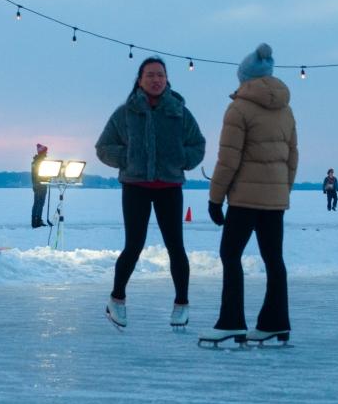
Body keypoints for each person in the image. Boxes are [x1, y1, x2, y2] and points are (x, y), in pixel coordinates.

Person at [95, 56, 206, 330]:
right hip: (136, 186)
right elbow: (104, 146)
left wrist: (182, 159)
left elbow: (198, 144)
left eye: (160, 75)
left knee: (175, 247)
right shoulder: (126, 112)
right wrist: (129, 157)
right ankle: (117, 299)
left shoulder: (178, 111)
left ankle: (182, 304)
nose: (156, 80)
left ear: (167, 79)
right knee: (134, 245)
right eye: (150, 75)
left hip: (169, 186)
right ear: (140, 79)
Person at [200, 44, 298, 345]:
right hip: (274, 200)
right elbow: (292, 156)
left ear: (244, 78)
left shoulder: (239, 107)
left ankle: (231, 321)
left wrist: (215, 199)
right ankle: (275, 322)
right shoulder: (285, 109)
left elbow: (228, 159)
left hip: (243, 199)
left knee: (231, 255)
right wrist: (283, 190)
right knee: (274, 259)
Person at [30, 144, 50, 229]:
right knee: (40, 203)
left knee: (37, 203)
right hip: (40, 185)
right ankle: (37, 221)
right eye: (46, 151)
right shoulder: (40, 162)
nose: (47, 153)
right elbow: (40, 174)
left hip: (37, 185)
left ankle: (35, 221)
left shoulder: (35, 161)